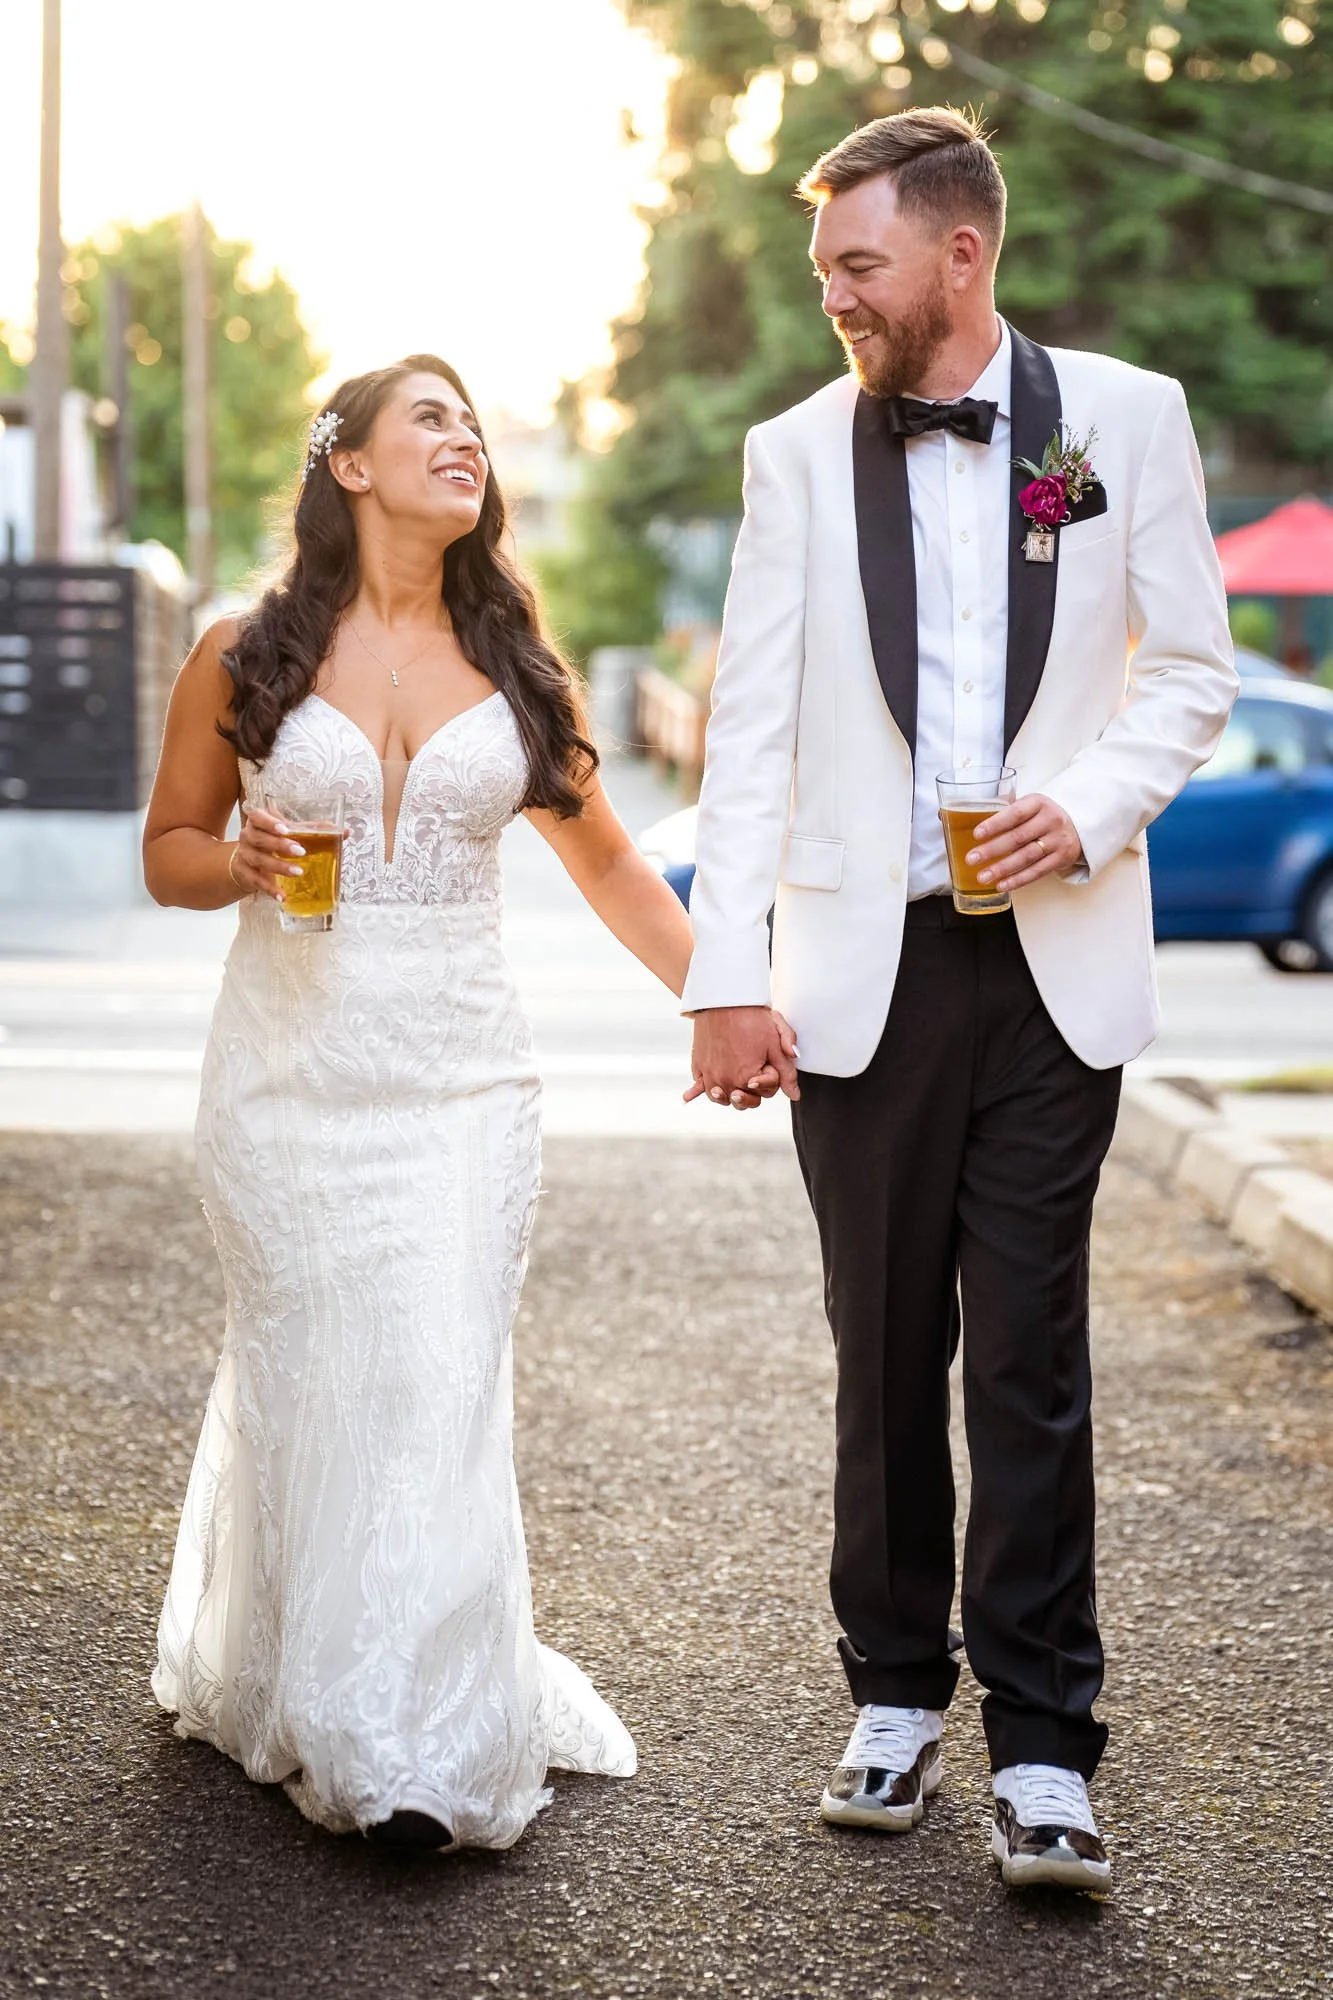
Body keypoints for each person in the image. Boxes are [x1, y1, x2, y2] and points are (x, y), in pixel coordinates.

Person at [683, 111, 1237, 1890]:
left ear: (961, 255)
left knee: (1027, 1352)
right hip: (867, 967)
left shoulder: (1122, 422)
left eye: (860, 263)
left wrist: (1089, 803)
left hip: (1055, 958)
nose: (833, 293)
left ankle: (1050, 1745)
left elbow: (1194, 673)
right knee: (882, 1346)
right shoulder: (790, 454)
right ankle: (893, 1696)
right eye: (825, 265)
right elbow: (750, 727)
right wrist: (724, 975)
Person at [144, 353, 789, 1852]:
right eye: (430, 417)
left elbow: (618, 866)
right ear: (349, 464)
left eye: (476, 425)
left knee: (434, 1385)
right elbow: (168, 845)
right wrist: (225, 862)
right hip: (284, 1083)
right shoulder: (242, 652)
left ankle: (411, 1746)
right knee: (316, 1381)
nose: (467, 440)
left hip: (460, 1084)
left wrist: (723, 995)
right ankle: (302, 1680)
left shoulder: (517, 669)